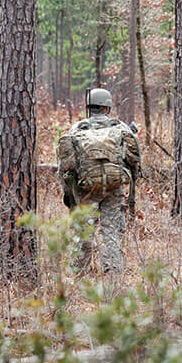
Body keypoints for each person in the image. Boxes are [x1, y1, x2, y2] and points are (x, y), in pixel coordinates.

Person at [57, 88, 140, 274]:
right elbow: (133, 160)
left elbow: (64, 166)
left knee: (84, 231)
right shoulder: (120, 127)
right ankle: (113, 272)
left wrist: (69, 194)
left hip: (86, 189)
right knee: (110, 231)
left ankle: (78, 272)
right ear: (107, 107)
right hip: (113, 187)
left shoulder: (77, 129)